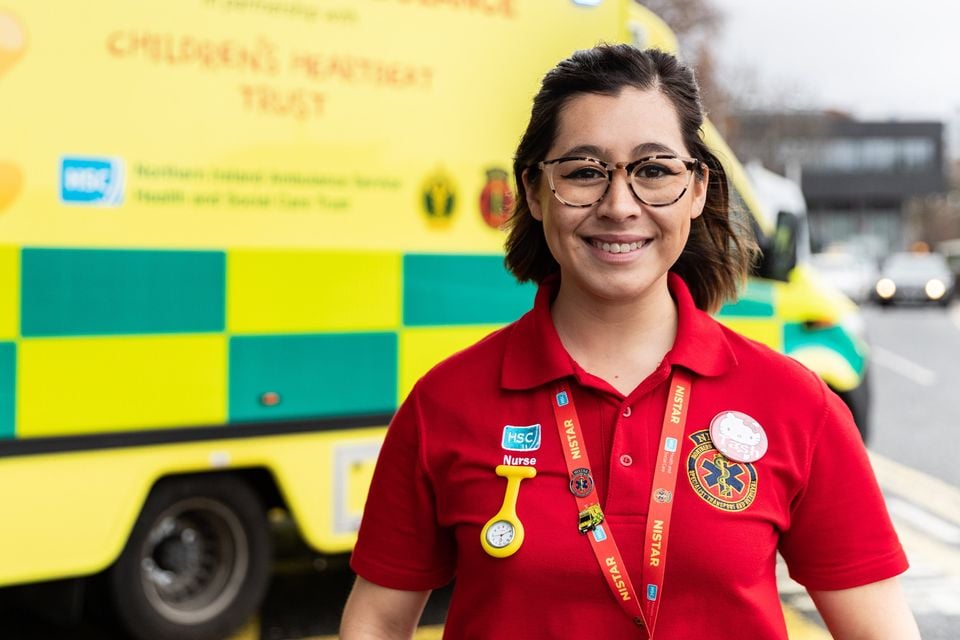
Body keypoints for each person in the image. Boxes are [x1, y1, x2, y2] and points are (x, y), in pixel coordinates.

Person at [340, 44, 920, 639]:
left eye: (654, 170)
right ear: (536, 193)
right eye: (585, 172)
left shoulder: (796, 403)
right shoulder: (446, 401)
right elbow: (377, 623)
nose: (620, 206)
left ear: (696, 189)